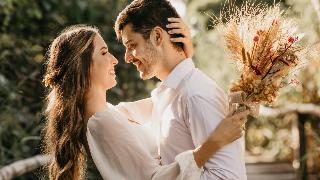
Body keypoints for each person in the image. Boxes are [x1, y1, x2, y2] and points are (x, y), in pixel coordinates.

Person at [42, 25, 248, 180]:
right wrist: (213, 144)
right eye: (104, 52)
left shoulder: (111, 114)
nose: (115, 59)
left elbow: (163, 100)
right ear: (83, 66)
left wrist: (181, 57)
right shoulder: (102, 123)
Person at [114, 0, 248, 179]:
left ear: (157, 37)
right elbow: (112, 113)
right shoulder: (166, 95)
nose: (127, 57)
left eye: (132, 45)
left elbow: (228, 177)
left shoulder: (196, 95)